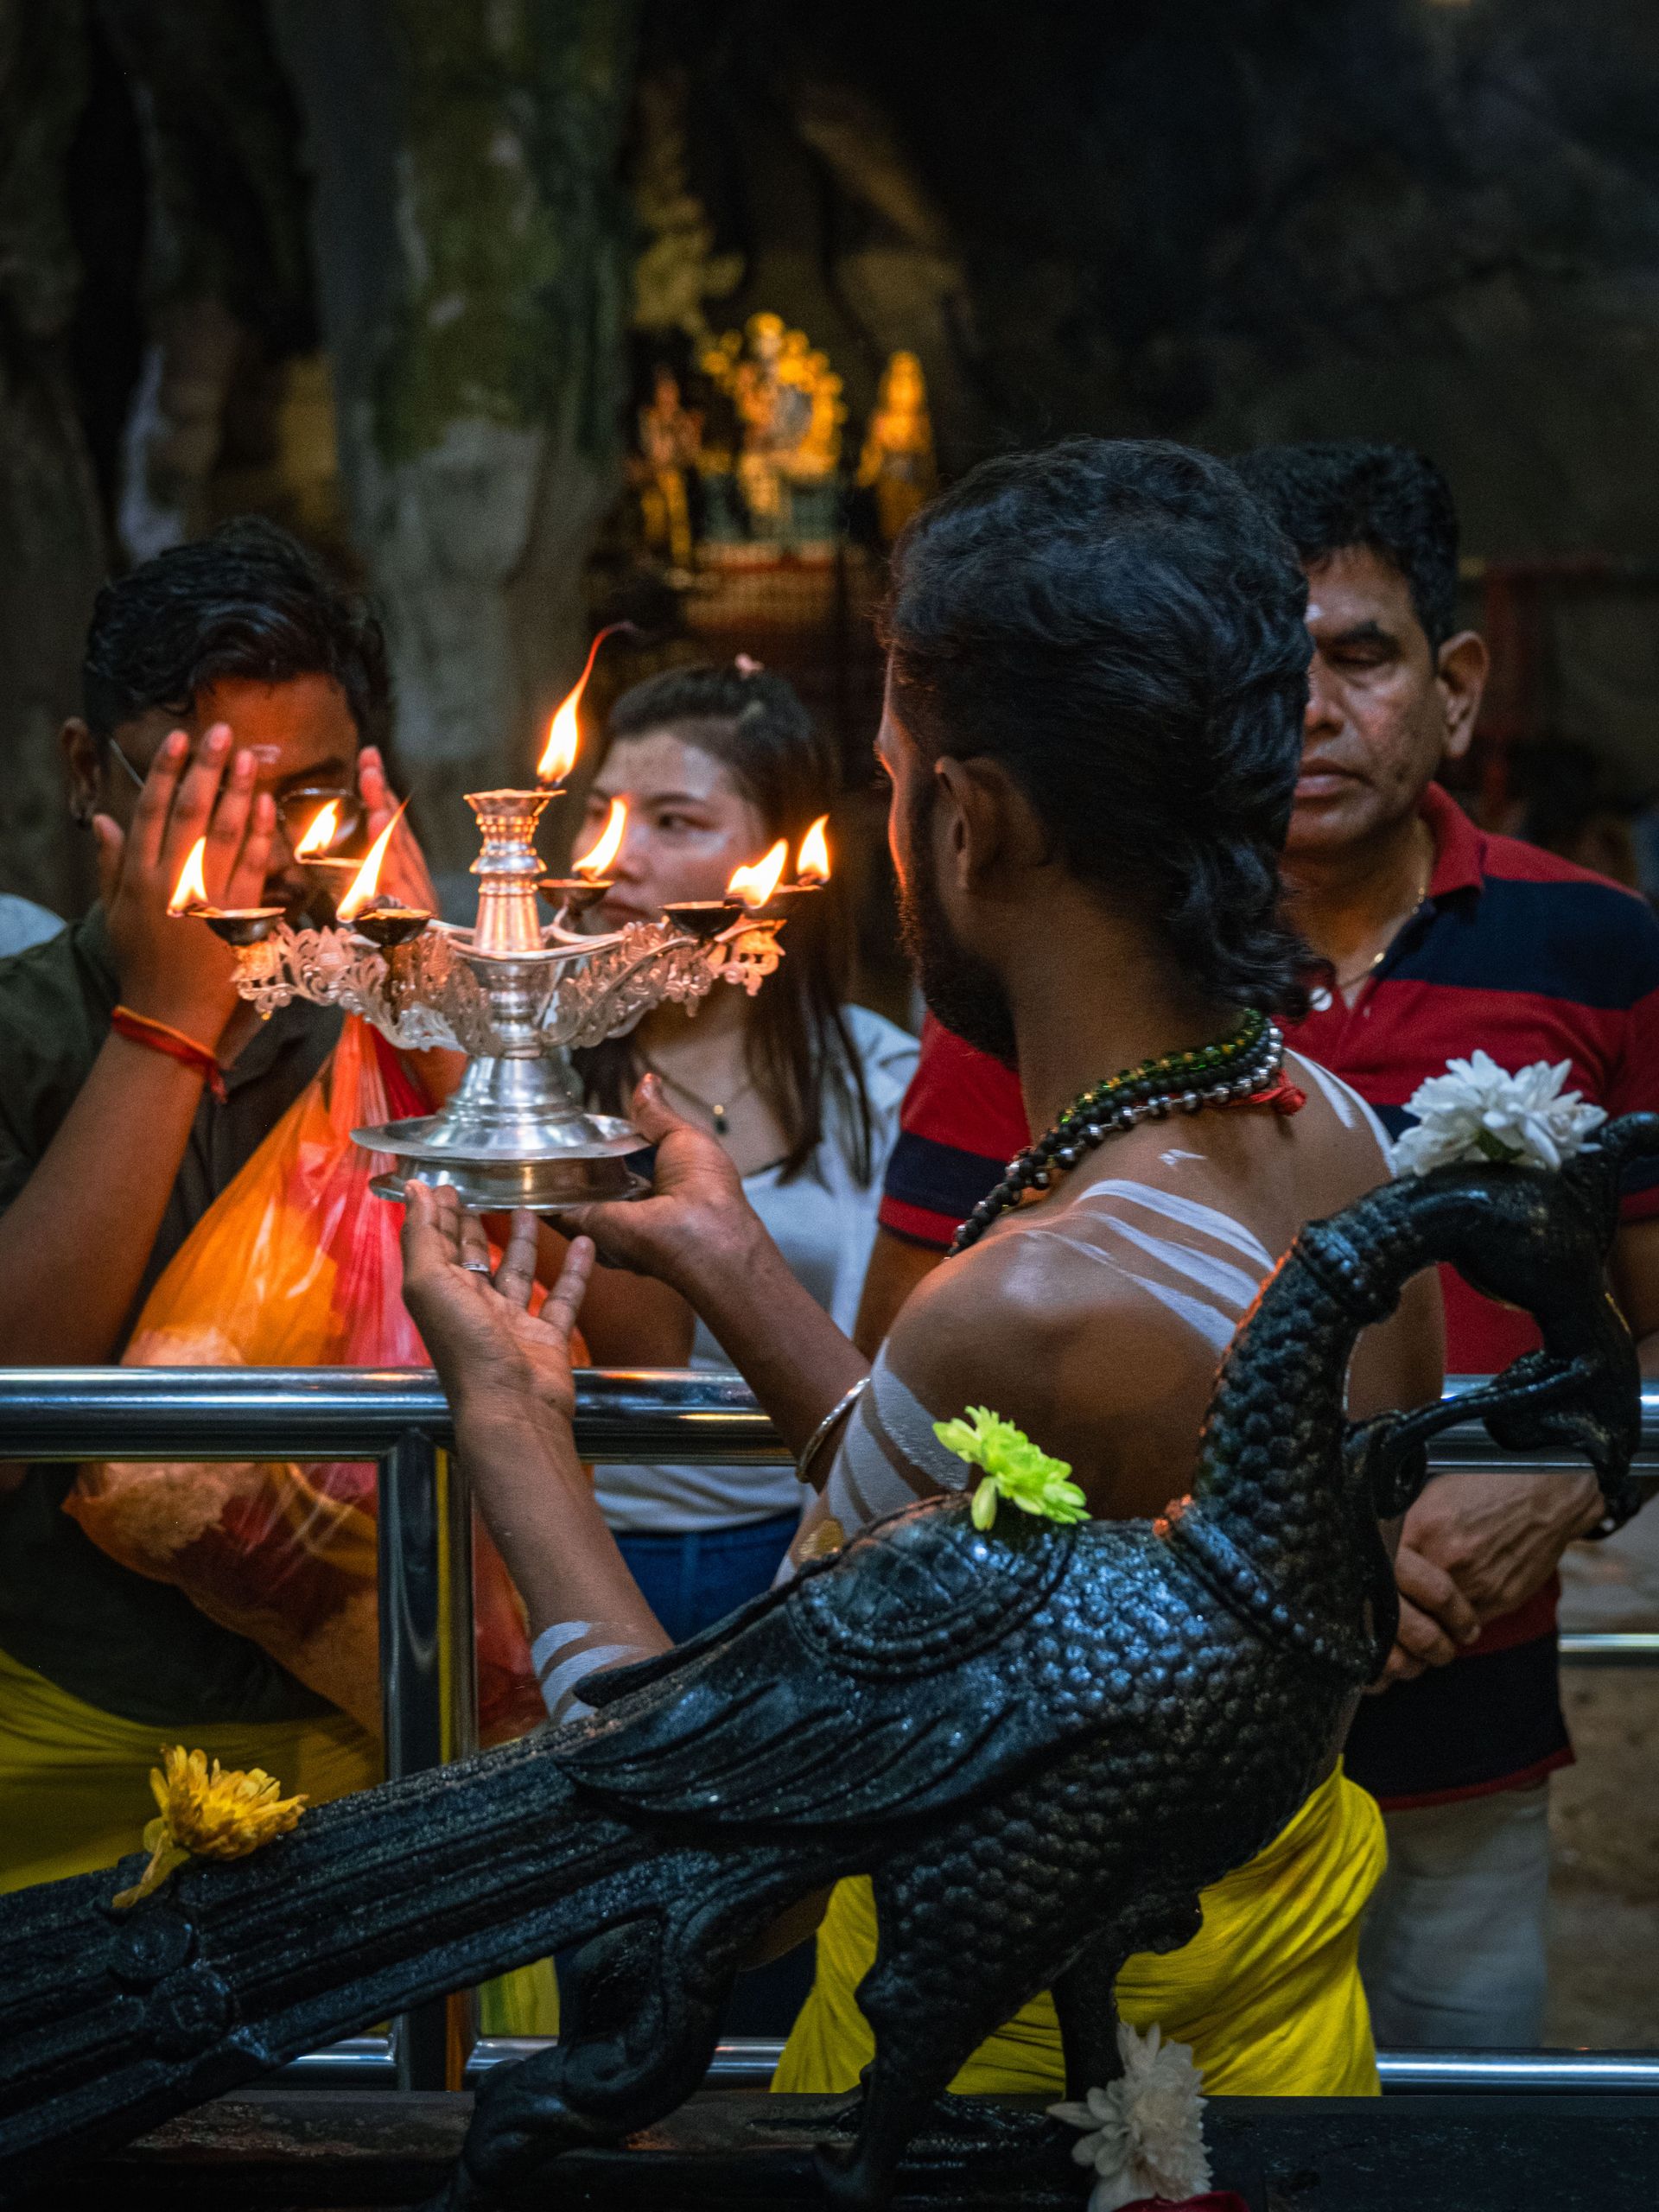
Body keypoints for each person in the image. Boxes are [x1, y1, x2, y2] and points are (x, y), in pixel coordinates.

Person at [400, 436, 1442, 2100]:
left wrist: (512, 1418)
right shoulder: (1332, 1134)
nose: (890, 828)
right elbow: (1008, 1540)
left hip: (1001, 2098)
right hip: (1284, 2053)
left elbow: (712, 1842)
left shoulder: (1039, 1299)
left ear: (970, 820)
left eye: (893, 782)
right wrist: (740, 1268)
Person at [857, 441, 1659, 2052]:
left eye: (1354, 659)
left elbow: (1643, 1321)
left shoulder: (1589, 949)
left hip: (1462, 1703)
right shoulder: (1109, 1029)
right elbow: (933, 1405)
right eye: (1269, 672)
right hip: (1146, 1790)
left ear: (1454, 685)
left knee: (1468, 2109)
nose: (1306, 711)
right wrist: (1325, 1561)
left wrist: (1546, 1487)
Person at [0, 517, 435, 1891]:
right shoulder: (25, 1036)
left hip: (394, 1741)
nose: (262, 860)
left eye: (305, 803)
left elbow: (626, 1331)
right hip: (65, 1751)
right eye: (200, 806)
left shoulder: (431, 1009)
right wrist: (169, 1024)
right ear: (89, 775)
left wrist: (441, 1025)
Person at [570, 660, 917, 1637]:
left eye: (673, 823)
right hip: (582, 1550)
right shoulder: (533, 1080)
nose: (611, 860)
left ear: (782, 859)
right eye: (598, 814)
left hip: (815, 1546)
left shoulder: (883, 1081)